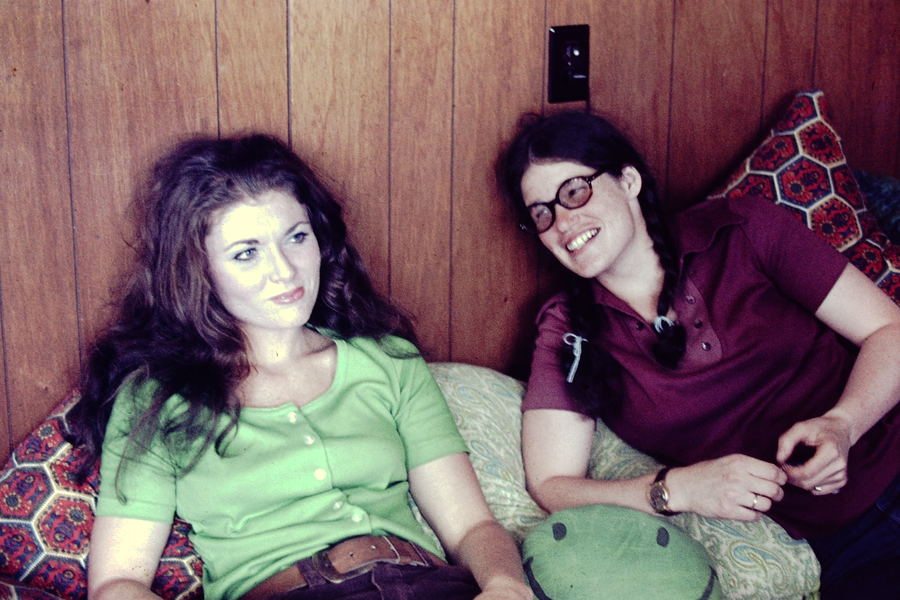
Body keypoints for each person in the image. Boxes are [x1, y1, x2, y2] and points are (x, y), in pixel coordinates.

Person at [66, 134, 533, 600]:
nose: (285, 272)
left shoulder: (389, 359)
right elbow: (118, 583)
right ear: (199, 271)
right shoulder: (156, 399)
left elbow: (472, 526)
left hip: (428, 586)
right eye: (246, 253)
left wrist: (505, 586)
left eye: (296, 237)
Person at [495, 110, 900, 597]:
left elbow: (890, 330)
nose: (562, 222)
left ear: (628, 180)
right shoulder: (568, 328)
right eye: (541, 213)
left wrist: (843, 424)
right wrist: (675, 489)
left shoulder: (742, 227)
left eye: (575, 191)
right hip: (844, 548)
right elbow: (552, 483)